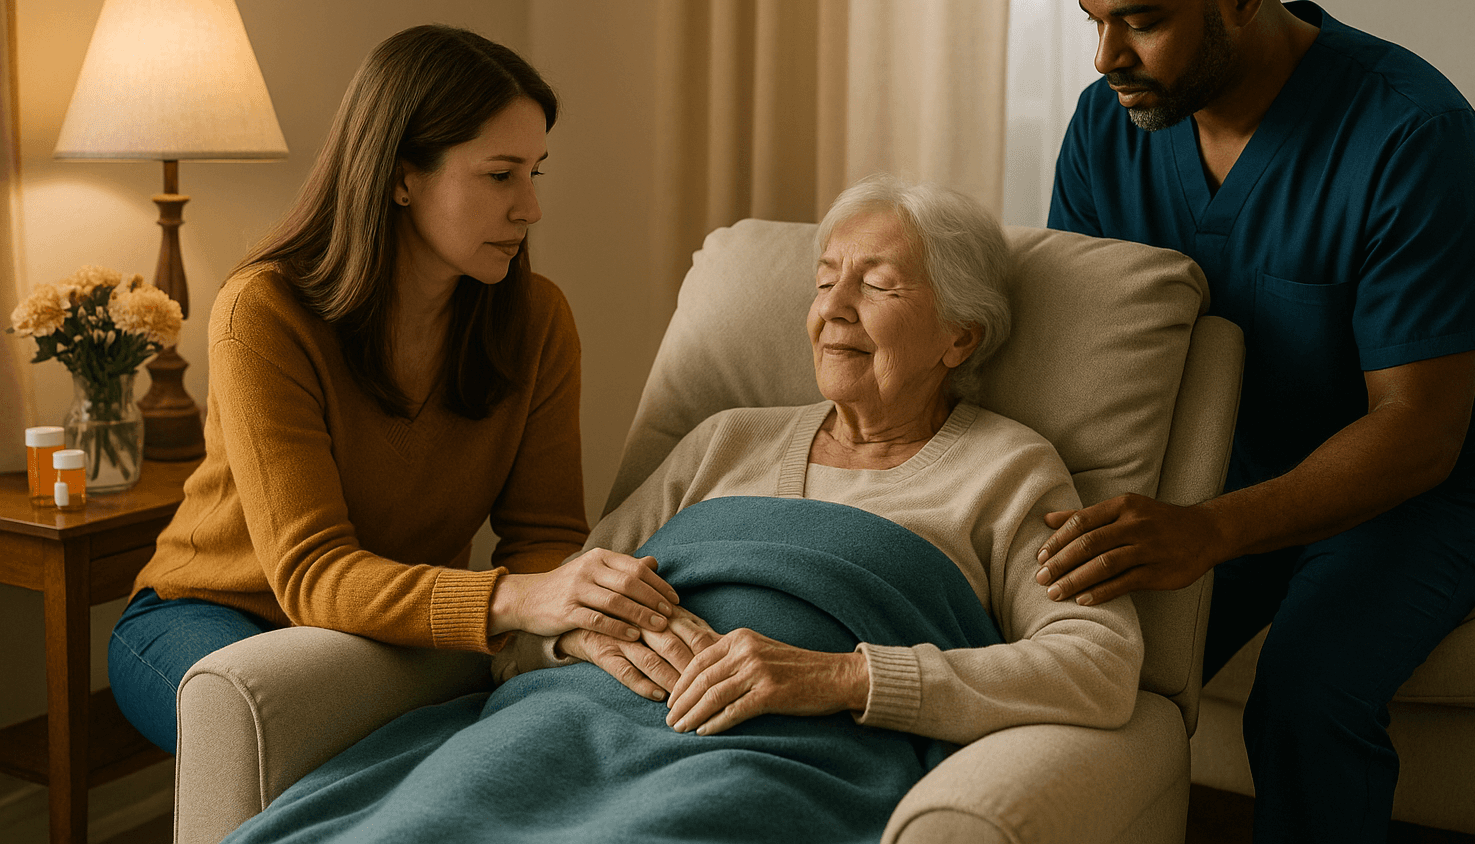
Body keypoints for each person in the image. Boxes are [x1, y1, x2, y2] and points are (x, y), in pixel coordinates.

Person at [219, 177, 1143, 844]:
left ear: (961, 335)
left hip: (779, 753)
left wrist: (837, 678)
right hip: (572, 718)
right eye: (825, 280)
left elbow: (1097, 665)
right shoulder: (724, 439)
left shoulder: (1009, 470)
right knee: (419, 822)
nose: (833, 310)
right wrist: (578, 642)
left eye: (879, 285)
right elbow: (557, 604)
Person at [1038, 0, 1475, 843]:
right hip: (1228, 466)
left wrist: (1208, 530)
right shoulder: (1107, 129)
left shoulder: (1411, 137)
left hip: (1431, 481)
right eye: (1096, 21)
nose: (1107, 59)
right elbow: (1082, 365)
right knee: (1070, 654)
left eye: (1142, 21)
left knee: (1306, 694)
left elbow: (1420, 432)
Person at [109, 25, 678, 754]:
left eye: (535, 173)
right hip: (211, 611)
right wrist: (515, 599)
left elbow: (543, 537)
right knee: (290, 731)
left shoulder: (537, 319)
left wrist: (572, 619)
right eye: (500, 175)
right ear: (402, 175)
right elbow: (313, 574)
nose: (530, 208)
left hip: (382, 617)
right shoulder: (263, 311)